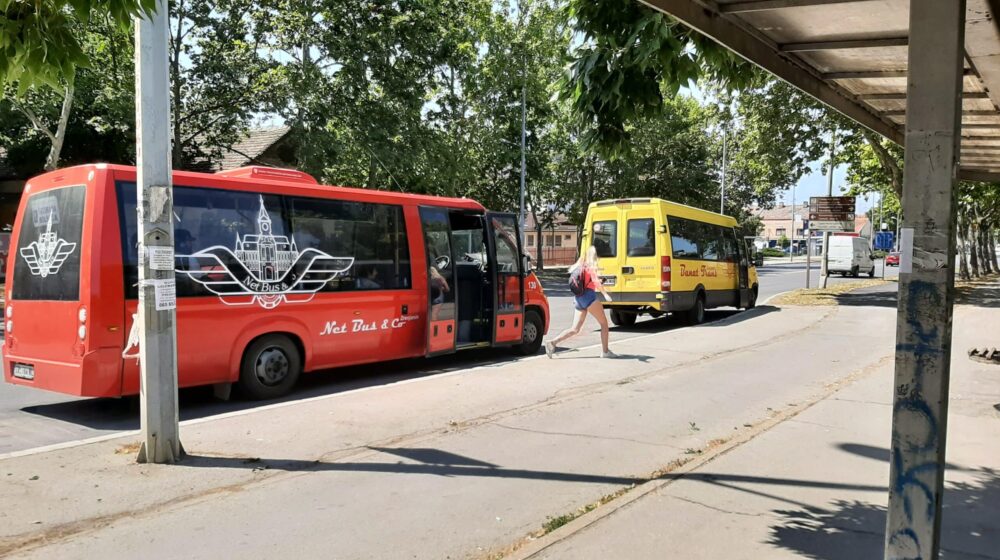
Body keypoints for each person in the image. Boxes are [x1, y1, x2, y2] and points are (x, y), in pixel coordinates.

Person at [545, 245, 617, 359]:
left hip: (578, 298)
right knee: (604, 324)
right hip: (589, 297)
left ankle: (552, 343)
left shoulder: (578, 267)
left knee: (575, 329)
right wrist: (605, 294)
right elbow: (596, 282)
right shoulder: (590, 267)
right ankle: (605, 351)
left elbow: (587, 281)